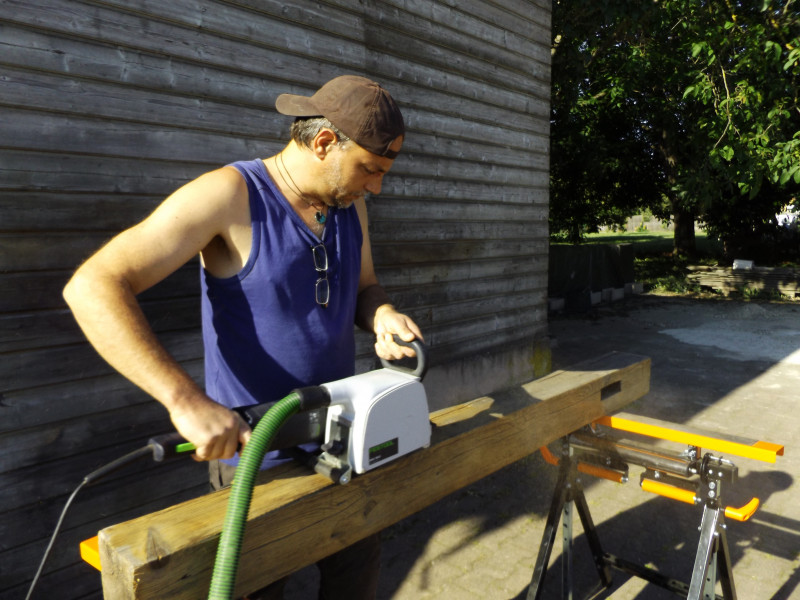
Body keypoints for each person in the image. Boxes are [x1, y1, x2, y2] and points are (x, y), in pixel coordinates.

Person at [63, 74, 423, 600]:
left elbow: (365, 286)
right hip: (257, 460)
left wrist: (382, 313)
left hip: (345, 443)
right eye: (370, 169)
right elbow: (93, 286)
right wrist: (183, 400)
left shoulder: (348, 203)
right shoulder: (229, 195)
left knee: (355, 583)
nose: (377, 187)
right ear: (324, 143)